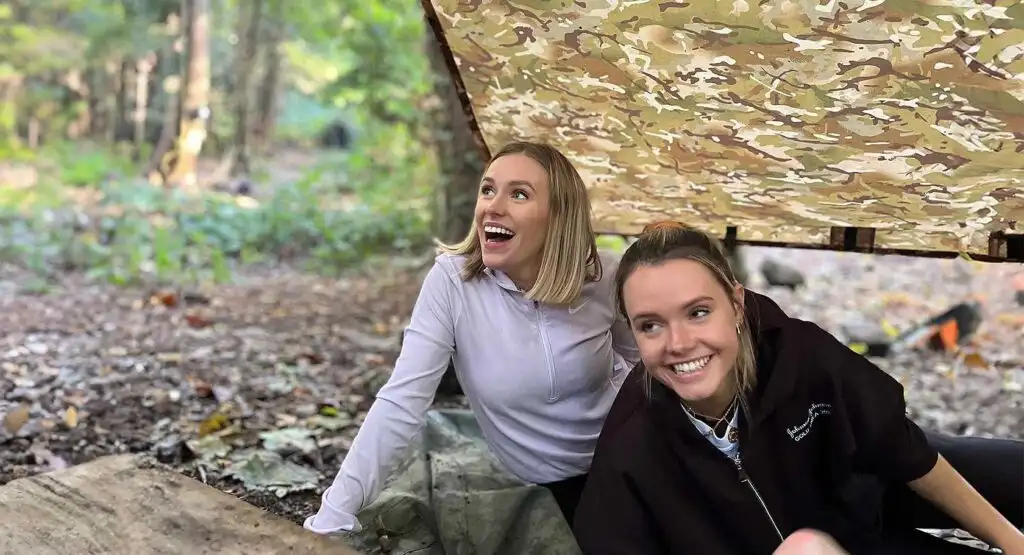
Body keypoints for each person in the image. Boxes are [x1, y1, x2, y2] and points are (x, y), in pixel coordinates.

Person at [572, 222, 1024, 555]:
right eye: (651, 325)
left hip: (864, 499)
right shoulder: (633, 446)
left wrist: (1010, 541)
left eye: (698, 312)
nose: (679, 344)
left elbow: (902, 447)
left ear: (735, 302)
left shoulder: (793, 350)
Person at [303, 141, 640, 534]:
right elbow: (401, 401)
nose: (493, 206)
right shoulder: (452, 282)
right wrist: (334, 512)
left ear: (559, 216)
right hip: (541, 488)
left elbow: (640, 366)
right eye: (487, 189)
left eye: (519, 194)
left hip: (625, 464)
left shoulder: (607, 277)